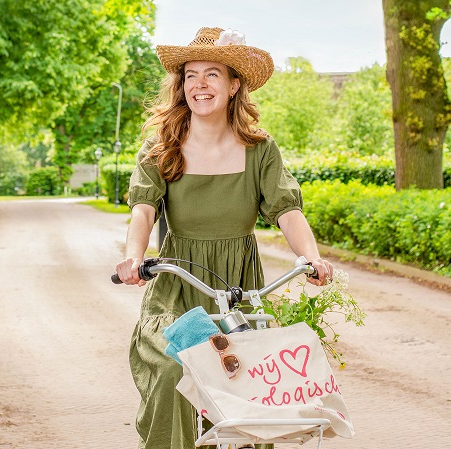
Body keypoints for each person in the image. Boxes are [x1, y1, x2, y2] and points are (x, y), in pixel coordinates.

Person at [115, 27, 334, 449]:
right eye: (190, 74)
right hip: (179, 280)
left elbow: (287, 210)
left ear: (234, 85)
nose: (199, 84)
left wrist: (311, 257)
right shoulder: (161, 146)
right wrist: (133, 257)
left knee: (250, 381)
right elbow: (142, 210)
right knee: (174, 369)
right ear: (181, 86)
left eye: (212, 74)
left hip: (240, 284)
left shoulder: (260, 149)